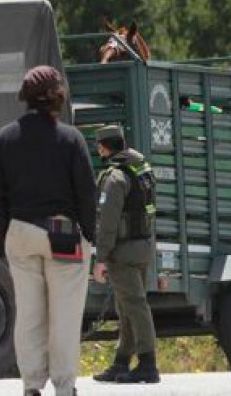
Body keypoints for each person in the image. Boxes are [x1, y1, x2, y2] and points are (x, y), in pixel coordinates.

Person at [0, 65, 97, 396]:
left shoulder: (5, 138)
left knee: (29, 315)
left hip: (20, 234)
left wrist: (7, 234)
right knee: (63, 317)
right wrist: (90, 236)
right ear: (56, 96)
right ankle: (64, 388)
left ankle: (32, 386)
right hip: (63, 235)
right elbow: (86, 192)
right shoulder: (70, 138)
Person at [91, 125, 160, 384]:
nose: (97, 149)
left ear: (105, 146)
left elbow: (108, 223)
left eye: (99, 144)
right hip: (142, 246)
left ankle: (147, 363)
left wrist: (100, 258)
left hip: (123, 252)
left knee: (134, 305)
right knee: (127, 306)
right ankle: (122, 361)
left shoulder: (115, 177)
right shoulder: (139, 169)